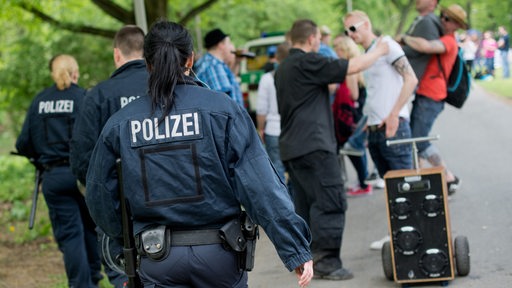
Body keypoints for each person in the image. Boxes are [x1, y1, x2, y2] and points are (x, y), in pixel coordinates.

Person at [85, 20, 314, 288]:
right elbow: (262, 186)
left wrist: (125, 245)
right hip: (220, 257)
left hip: (156, 260)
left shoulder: (120, 124)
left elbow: (100, 197)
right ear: (191, 59)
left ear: (147, 64)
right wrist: (294, 248)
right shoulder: (223, 111)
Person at [275, 19, 389, 280]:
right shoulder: (308, 61)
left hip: (292, 148)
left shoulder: (283, 68)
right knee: (330, 202)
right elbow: (353, 66)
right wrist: (380, 50)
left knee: (306, 206)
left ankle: (308, 261)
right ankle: (326, 262)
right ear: (313, 38)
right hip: (314, 145)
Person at [69, 25, 148, 287]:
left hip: (118, 215)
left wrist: (104, 192)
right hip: (169, 208)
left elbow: (82, 159)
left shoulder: (98, 96)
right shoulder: (167, 87)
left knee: (125, 277)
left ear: (117, 54)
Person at [16, 54, 102, 287]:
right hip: (82, 176)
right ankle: (94, 275)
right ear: (75, 72)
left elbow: (23, 143)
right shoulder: (83, 97)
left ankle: (81, 284)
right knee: (90, 227)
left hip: (53, 177)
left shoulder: (39, 101)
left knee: (71, 234)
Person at [344, 10, 418, 250]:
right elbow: (377, 90)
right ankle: (397, 235)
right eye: (346, 32)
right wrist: (368, 119)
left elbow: (411, 79)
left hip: (393, 127)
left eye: (353, 28)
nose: (350, 34)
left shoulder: (387, 45)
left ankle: (413, 236)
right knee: (390, 187)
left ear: (366, 24)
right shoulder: (369, 53)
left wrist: (395, 112)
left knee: (403, 185)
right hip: (375, 129)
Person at [398, 4, 468, 194]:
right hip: (425, 94)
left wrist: (404, 38)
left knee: (419, 141)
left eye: (449, 19)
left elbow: (426, 46)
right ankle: (420, 177)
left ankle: (449, 177)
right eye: (443, 17)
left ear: (457, 25)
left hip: (432, 96)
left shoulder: (449, 41)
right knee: (416, 139)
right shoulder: (443, 35)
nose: (444, 21)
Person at [331, 35, 371, 197]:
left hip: (349, 115)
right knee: (355, 149)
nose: (336, 53)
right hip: (352, 114)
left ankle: (363, 182)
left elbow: (353, 95)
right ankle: (363, 180)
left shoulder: (350, 70)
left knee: (353, 149)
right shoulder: (354, 67)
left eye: (338, 50)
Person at [256, 42, 290, 183]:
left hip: (273, 130)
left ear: (276, 58)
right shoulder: (297, 77)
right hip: (292, 129)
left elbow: (262, 109)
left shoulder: (267, 78)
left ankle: (284, 203)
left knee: (277, 169)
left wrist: (260, 129)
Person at [194, 28, 244, 107]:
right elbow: (224, 105)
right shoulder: (213, 66)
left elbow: (229, 81)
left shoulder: (213, 63)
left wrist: (236, 61)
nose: (232, 46)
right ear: (221, 45)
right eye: (229, 43)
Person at [402, 0, 443, 81]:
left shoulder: (428, 22)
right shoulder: (422, 20)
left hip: (410, 76)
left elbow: (418, 51)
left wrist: (398, 45)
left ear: (433, 3)